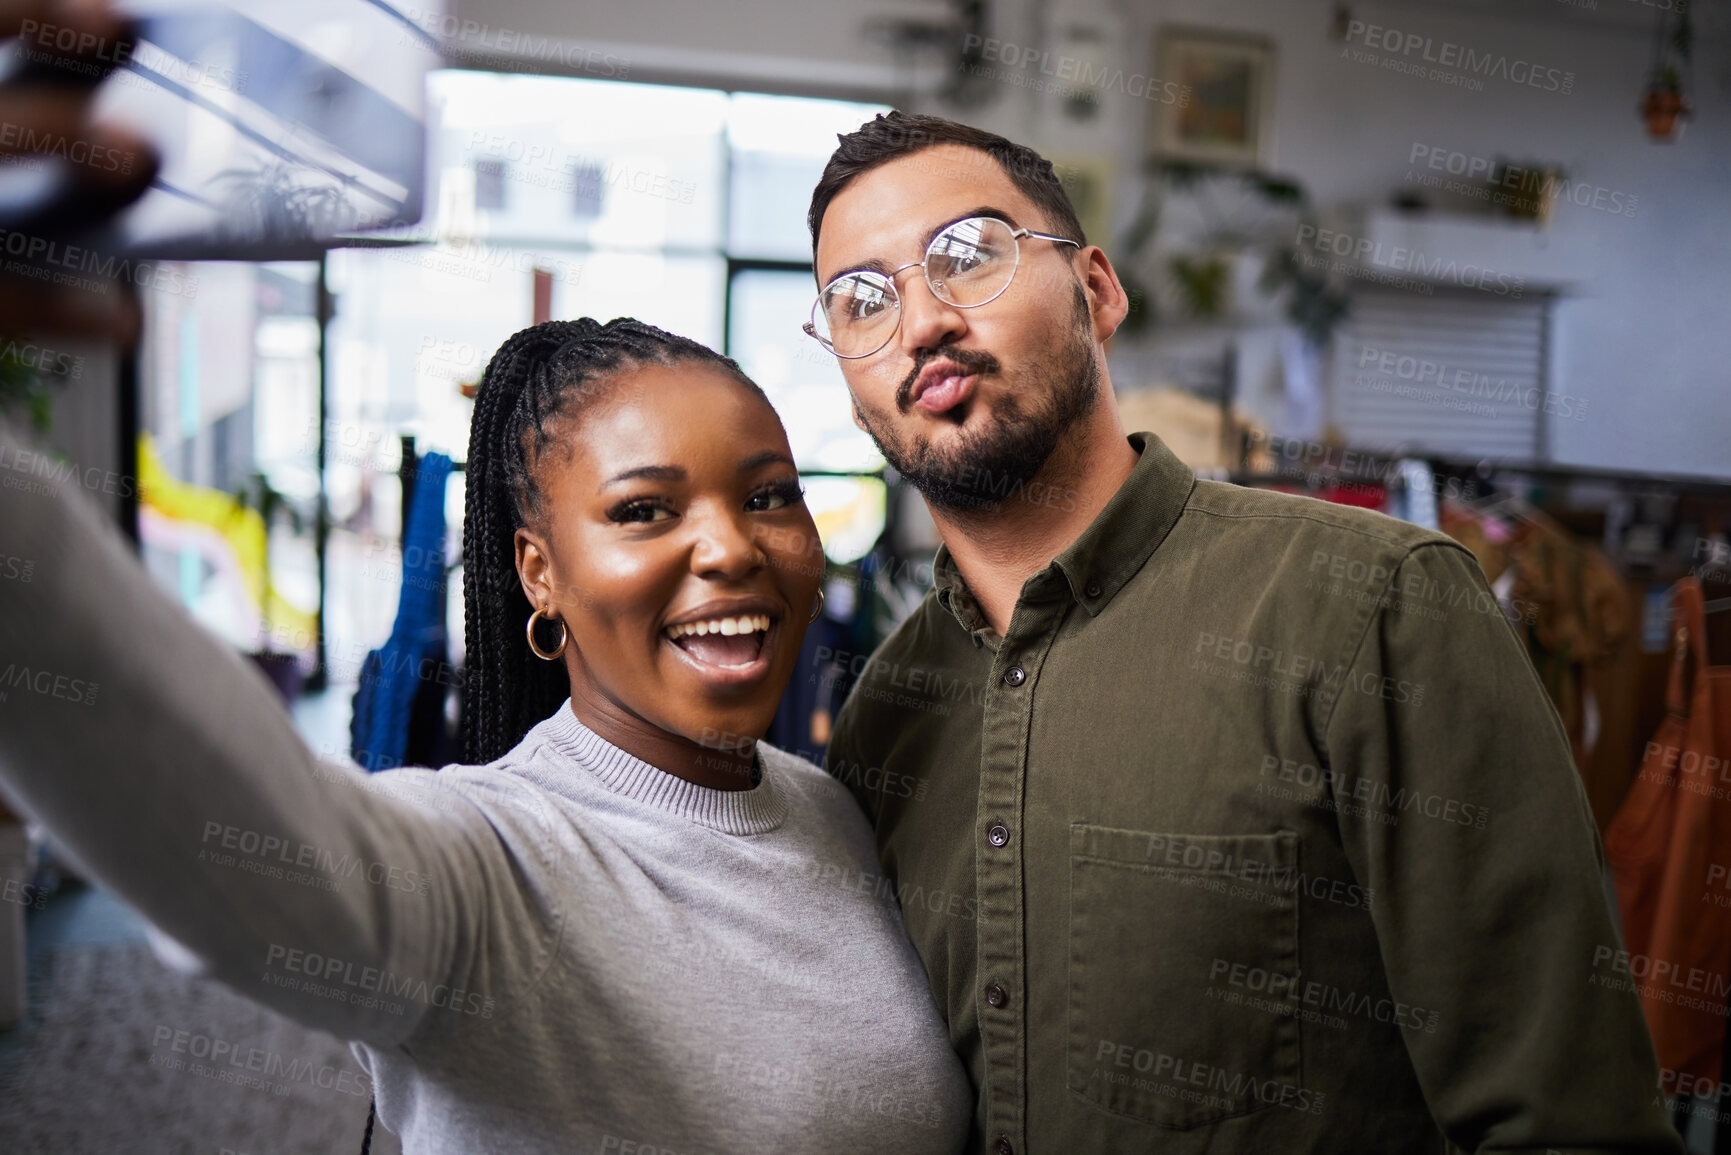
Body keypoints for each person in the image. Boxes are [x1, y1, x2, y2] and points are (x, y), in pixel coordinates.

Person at [808, 111, 1682, 1154]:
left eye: (968, 255)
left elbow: (1569, 1123)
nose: (922, 323)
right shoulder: (884, 720)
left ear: (1097, 290)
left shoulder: (1377, 612)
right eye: (862, 299)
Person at [0, 315, 973, 1153]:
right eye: (643, 510)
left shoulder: (835, 810)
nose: (729, 548)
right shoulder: (482, 867)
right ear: (539, 574)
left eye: (767, 496)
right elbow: (229, 844)